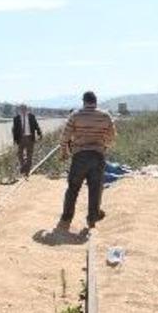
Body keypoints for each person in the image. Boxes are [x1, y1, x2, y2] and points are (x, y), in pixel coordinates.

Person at [57, 91, 116, 230]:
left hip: (79, 156)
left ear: (84, 101)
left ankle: (66, 217)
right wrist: (104, 145)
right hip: (97, 156)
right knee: (95, 189)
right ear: (96, 101)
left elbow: (64, 137)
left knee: (73, 188)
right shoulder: (105, 116)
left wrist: (64, 152)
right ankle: (92, 217)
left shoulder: (75, 115)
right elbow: (113, 136)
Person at [11, 104, 42, 176]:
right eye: (21, 109)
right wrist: (14, 140)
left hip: (30, 137)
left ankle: (27, 170)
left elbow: (36, 126)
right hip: (21, 138)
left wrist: (39, 133)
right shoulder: (16, 118)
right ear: (20, 110)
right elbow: (14, 130)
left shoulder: (31, 116)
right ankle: (23, 166)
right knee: (19, 154)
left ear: (26, 109)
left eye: (24, 109)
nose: (23, 110)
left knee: (29, 154)